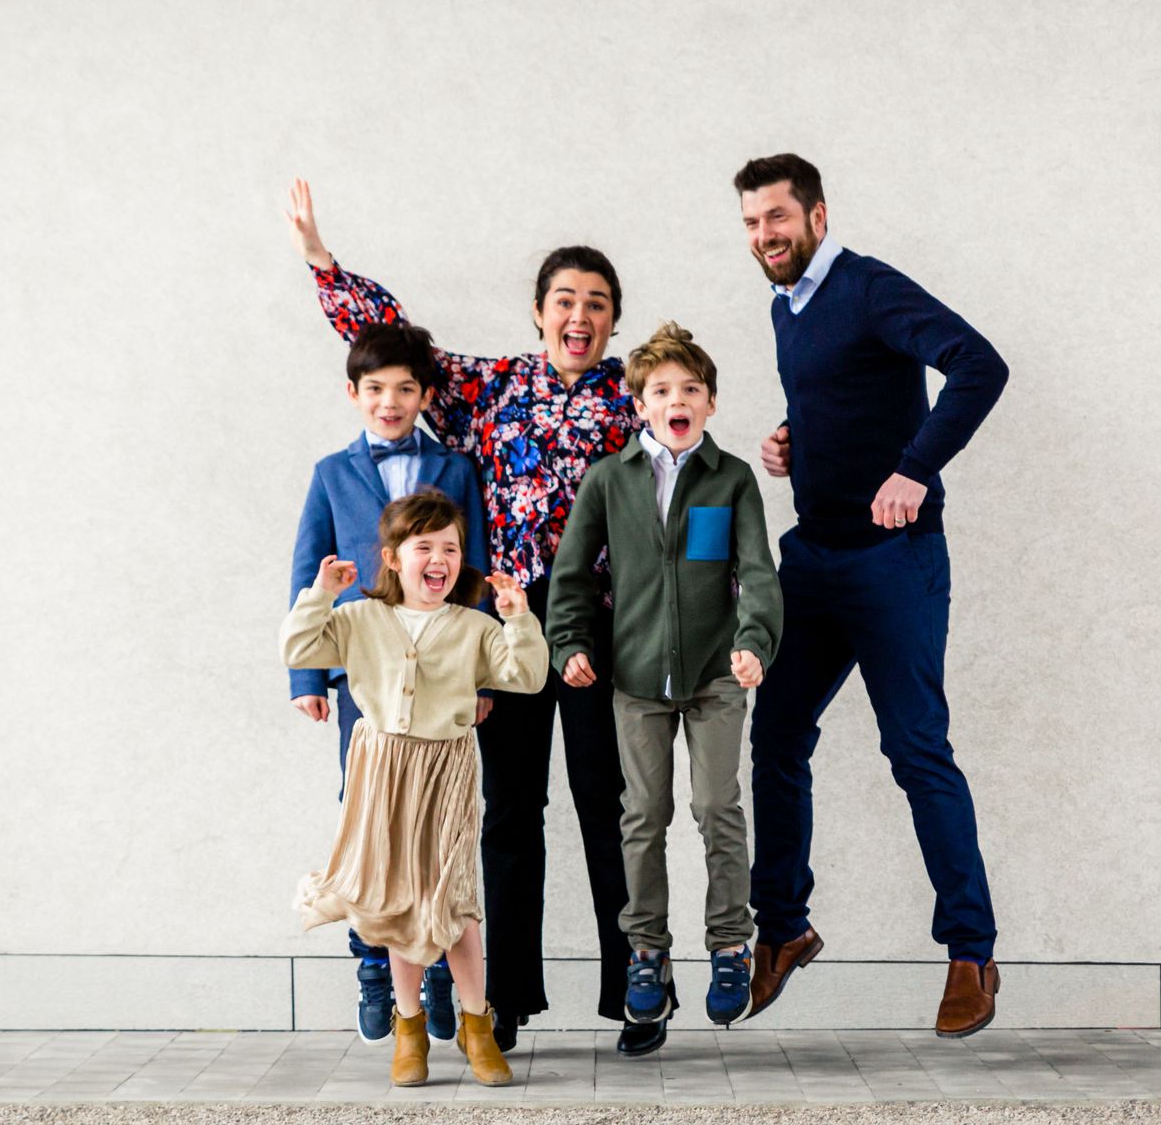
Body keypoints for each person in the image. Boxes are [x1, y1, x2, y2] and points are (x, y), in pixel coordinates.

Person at [285, 180, 661, 1055]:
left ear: (611, 323)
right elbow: (393, 350)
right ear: (538, 313)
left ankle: (635, 990)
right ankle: (508, 1002)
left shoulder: (629, 400)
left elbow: (692, 432)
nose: (580, 315)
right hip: (503, 637)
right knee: (508, 817)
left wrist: (789, 444)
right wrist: (321, 260)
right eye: (565, 300)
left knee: (612, 809)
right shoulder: (491, 388)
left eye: (597, 305)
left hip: (601, 634)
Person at [734, 153, 1011, 1037]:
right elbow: (845, 394)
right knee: (775, 735)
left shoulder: (867, 286)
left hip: (894, 565)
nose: (763, 237)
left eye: (776, 219)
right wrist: (793, 440)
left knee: (915, 749)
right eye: (749, 223)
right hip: (812, 563)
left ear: (816, 214)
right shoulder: (786, 305)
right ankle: (783, 929)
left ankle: (971, 952)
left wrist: (915, 470)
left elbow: (979, 365)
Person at [547, 323, 783, 1041]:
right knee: (644, 818)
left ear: (710, 402)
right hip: (638, 680)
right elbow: (571, 574)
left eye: (690, 389)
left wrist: (754, 643)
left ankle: (730, 946)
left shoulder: (732, 478)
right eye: (660, 390)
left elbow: (758, 574)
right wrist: (571, 644)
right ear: (639, 404)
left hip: (716, 676)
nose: (675, 399)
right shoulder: (610, 480)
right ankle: (646, 952)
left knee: (717, 807)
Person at [282, 490, 546, 1088]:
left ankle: (477, 1024)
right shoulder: (356, 618)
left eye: (450, 548)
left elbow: (527, 677)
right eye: (423, 546)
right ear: (393, 558)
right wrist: (321, 593)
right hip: (381, 769)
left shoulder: (474, 626)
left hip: (447, 769)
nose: (439, 558)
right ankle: (410, 1027)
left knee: (453, 898)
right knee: (396, 899)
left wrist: (518, 617)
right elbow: (297, 648)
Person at [288, 320, 491, 1045]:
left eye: (406, 388)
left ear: (426, 396)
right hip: (364, 676)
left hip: (443, 677)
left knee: (437, 827)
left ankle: (437, 972)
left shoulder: (459, 469)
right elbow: (309, 570)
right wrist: (309, 675)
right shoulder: (331, 473)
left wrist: (483, 675)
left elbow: (476, 575)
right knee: (368, 817)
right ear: (354, 394)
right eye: (375, 389)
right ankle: (373, 966)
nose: (390, 401)